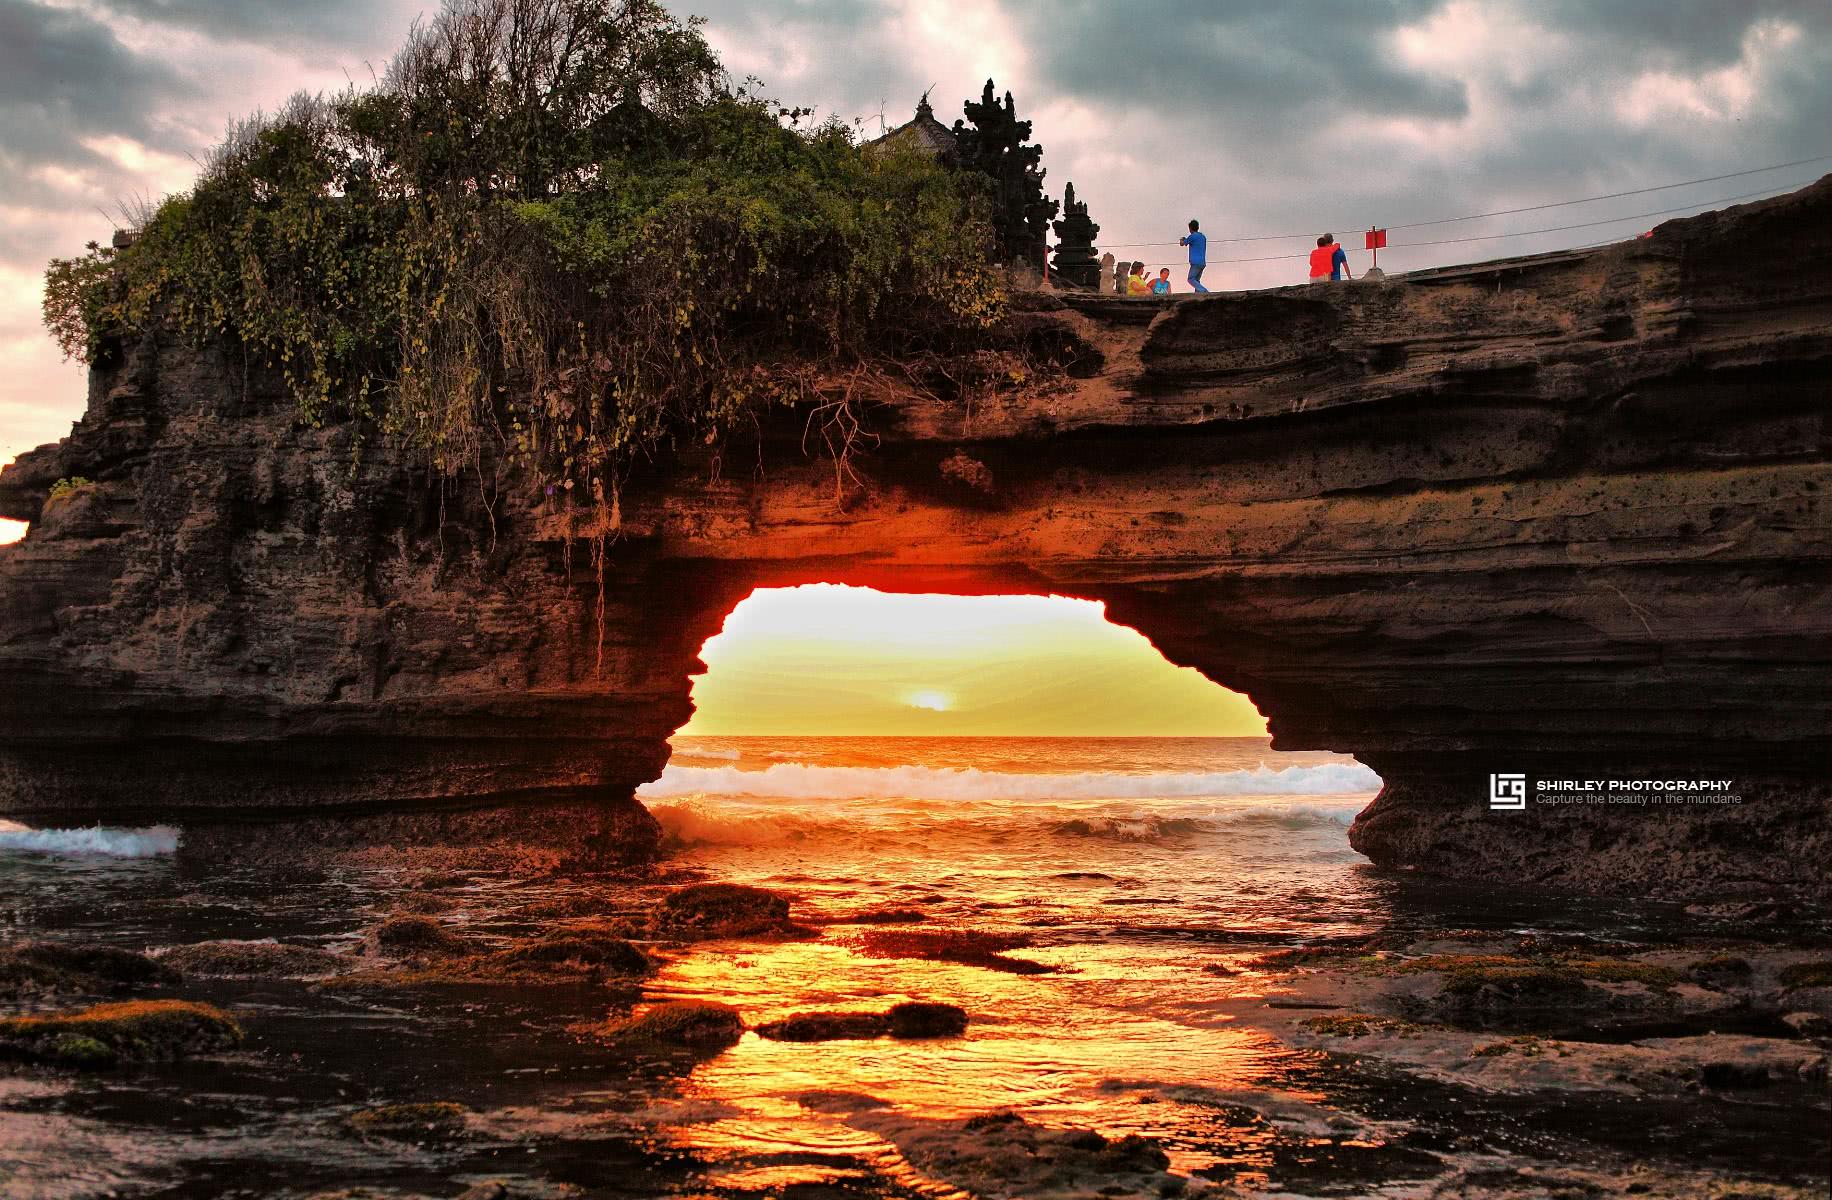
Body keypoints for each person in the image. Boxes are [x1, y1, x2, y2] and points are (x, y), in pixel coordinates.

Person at [1178, 219, 1209, 293]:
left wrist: (1182, 239)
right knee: (1197, 281)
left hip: (1195, 262)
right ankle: (1198, 295)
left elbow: (1182, 243)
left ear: (1190, 228)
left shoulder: (1192, 236)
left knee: (1191, 279)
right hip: (1202, 262)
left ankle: (1204, 291)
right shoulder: (1202, 237)